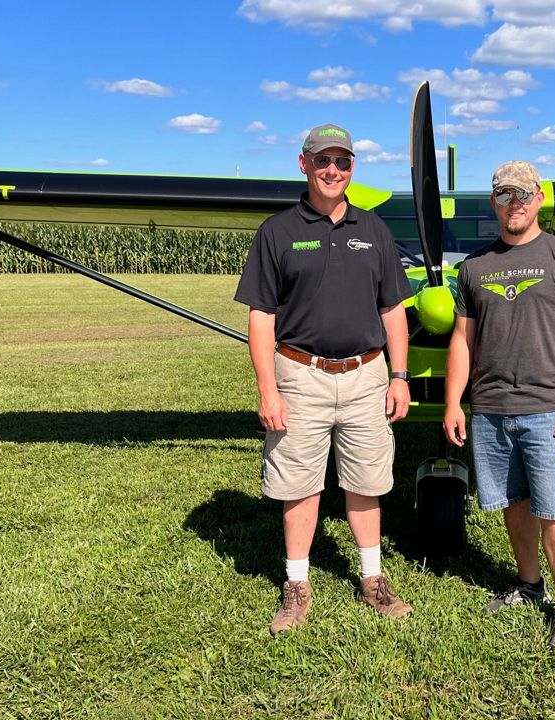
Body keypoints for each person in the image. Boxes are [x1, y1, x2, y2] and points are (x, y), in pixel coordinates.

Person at [234, 123, 414, 635]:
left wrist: (399, 376)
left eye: (343, 162)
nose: (333, 170)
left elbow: (394, 311)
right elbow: (261, 317)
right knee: (300, 485)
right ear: (303, 164)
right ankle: (296, 585)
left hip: (366, 376)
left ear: (353, 168)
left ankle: (373, 579)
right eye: (323, 161)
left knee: (366, 482)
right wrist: (268, 390)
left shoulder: (374, 230)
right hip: (300, 374)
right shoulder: (277, 231)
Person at [443, 160, 555, 651]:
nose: (515, 202)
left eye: (524, 193)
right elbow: (463, 341)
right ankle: (529, 582)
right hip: (490, 409)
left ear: (538, 199)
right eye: (505, 194)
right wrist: (454, 404)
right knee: (513, 503)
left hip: (548, 408)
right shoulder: (474, 267)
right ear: (494, 202)